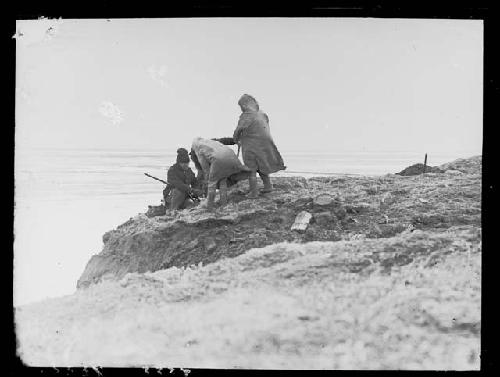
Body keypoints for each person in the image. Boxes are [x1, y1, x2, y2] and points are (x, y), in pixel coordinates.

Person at [233, 94, 286, 198]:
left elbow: (238, 130)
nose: (241, 109)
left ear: (245, 104)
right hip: (264, 144)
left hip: (251, 145)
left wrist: (236, 139)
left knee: (250, 169)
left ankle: (254, 192)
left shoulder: (247, 115)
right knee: (262, 165)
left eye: (241, 106)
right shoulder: (262, 114)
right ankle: (268, 186)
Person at [190, 137, 252, 209]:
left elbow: (205, 170)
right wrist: (236, 141)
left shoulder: (199, 150)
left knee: (212, 182)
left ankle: (209, 204)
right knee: (223, 179)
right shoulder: (209, 143)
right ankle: (223, 203)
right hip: (231, 155)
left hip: (218, 161)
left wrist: (207, 180)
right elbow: (222, 141)